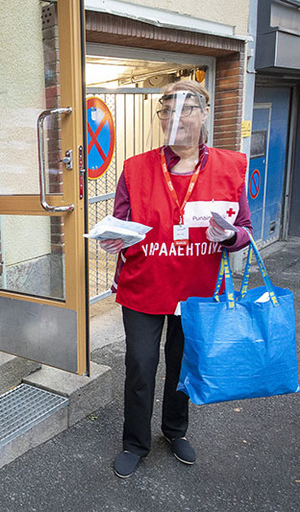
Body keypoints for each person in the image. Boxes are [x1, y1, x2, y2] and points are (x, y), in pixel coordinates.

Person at [100, 80, 253, 478]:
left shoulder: (230, 166)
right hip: (144, 285)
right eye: (166, 110)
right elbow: (120, 221)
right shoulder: (136, 168)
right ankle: (135, 442)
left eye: (185, 109)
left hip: (197, 290)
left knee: (183, 366)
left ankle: (175, 429)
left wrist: (231, 235)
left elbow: (246, 231)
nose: (174, 118)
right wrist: (114, 239)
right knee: (140, 365)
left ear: (204, 114)